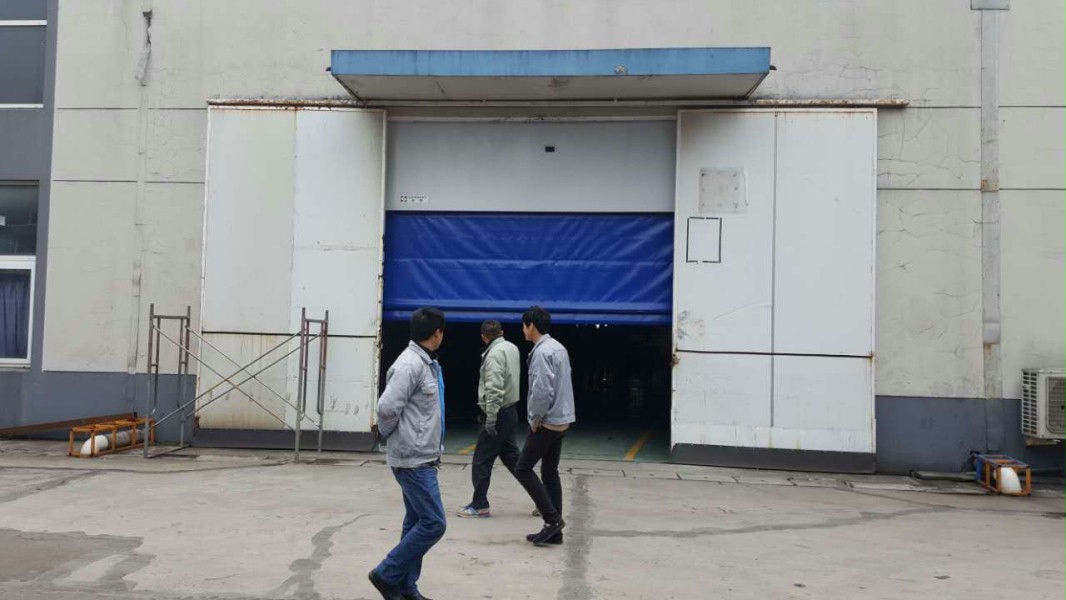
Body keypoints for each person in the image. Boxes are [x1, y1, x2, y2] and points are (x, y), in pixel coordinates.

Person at [369, 308, 447, 600]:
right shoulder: (410, 364)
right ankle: (386, 573)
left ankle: (405, 587)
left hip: (422, 455)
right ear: (437, 332)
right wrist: (390, 435)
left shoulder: (427, 362)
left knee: (416, 520)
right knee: (434, 523)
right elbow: (386, 408)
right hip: (413, 459)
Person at [514, 306, 575, 546]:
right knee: (550, 472)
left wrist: (534, 419)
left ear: (531, 326)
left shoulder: (541, 352)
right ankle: (554, 532)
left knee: (522, 468)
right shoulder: (559, 348)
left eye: (524, 325)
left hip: (547, 421)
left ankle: (552, 520)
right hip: (562, 419)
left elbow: (542, 390)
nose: (523, 330)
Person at [457, 320, 522, 518]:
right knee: (514, 461)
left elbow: (494, 388)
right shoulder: (512, 348)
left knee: (481, 461)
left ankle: (480, 505)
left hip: (498, 413)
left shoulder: (493, 354)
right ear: (501, 332)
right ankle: (544, 500)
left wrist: (491, 418)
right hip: (510, 412)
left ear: (483, 337)